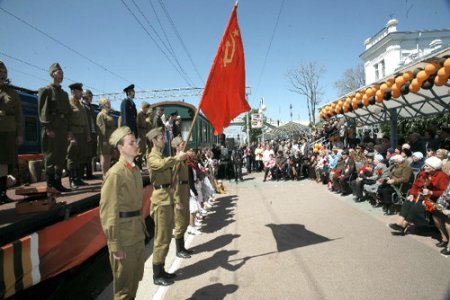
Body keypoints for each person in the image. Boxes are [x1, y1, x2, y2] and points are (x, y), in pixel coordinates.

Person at [99, 126, 147, 300]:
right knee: (124, 289)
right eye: (131, 142)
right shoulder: (115, 174)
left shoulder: (134, 170)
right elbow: (108, 212)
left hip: (137, 234)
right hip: (124, 237)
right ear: (120, 147)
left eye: (135, 141)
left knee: (135, 279)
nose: (136, 145)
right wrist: (114, 244)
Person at [146, 127, 187, 286]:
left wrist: (169, 186)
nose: (164, 140)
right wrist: (177, 157)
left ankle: (162, 269)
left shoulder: (161, 155)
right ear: (154, 141)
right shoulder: (152, 157)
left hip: (166, 197)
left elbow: (165, 171)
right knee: (161, 238)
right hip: (160, 201)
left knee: (165, 237)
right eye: (161, 138)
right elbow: (161, 165)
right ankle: (157, 275)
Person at [389, 156, 449, 235]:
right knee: (408, 202)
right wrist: (412, 194)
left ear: (434, 167)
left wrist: (431, 192)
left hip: (433, 199)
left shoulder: (442, 176)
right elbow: (415, 185)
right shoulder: (423, 174)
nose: (425, 167)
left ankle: (404, 225)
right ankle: (399, 222)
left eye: (427, 165)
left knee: (417, 206)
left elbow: (444, 192)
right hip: (420, 196)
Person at [38, 63, 72, 192]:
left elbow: (68, 113)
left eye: (62, 73)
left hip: (62, 127)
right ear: (52, 74)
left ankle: (58, 183)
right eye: (59, 72)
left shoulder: (64, 94)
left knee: (61, 155)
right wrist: (48, 128)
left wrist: (68, 130)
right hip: (52, 126)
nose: (61, 75)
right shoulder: (46, 90)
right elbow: (43, 111)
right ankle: (50, 185)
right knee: (51, 156)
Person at [0, 61, 23, 204]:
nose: (2, 74)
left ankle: (2, 194)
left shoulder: (12, 93)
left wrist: (19, 134)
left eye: (4, 72)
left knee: (3, 164)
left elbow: (19, 115)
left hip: (8, 131)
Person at [171, 136, 193, 259]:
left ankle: (183, 247)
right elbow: (173, 181)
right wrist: (176, 200)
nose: (184, 146)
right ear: (177, 147)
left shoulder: (183, 160)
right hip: (179, 193)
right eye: (182, 144)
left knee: (185, 221)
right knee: (180, 222)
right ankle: (179, 250)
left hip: (184, 191)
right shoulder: (177, 161)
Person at [67, 83, 90, 189]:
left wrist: (87, 135)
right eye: (79, 91)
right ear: (73, 92)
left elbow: (85, 122)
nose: (81, 93)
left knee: (81, 157)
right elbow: (66, 122)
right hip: (73, 132)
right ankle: (72, 180)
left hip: (81, 133)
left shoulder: (81, 106)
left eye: (81, 91)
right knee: (72, 157)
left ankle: (78, 179)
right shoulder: (68, 104)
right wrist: (70, 136)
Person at [96, 98, 117, 176]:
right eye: (107, 103)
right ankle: (105, 176)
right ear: (103, 105)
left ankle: (107, 175)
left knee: (108, 158)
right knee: (105, 159)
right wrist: (104, 141)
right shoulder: (101, 115)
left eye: (109, 102)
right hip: (105, 140)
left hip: (110, 140)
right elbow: (101, 129)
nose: (109, 104)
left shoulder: (109, 114)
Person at [81, 89, 98, 179]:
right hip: (85, 134)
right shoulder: (82, 106)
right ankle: (82, 175)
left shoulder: (91, 107)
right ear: (85, 97)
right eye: (90, 97)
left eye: (91, 97)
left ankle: (89, 174)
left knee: (90, 155)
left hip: (93, 133)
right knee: (85, 155)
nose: (91, 98)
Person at [136, 101, 151, 168]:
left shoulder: (143, 114)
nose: (147, 110)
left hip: (143, 133)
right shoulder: (139, 114)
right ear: (144, 107)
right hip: (140, 133)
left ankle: (139, 166)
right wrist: (138, 135)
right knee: (140, 150)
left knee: (143, 149)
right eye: (147, 108)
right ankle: (138, 166)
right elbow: (137, 124)